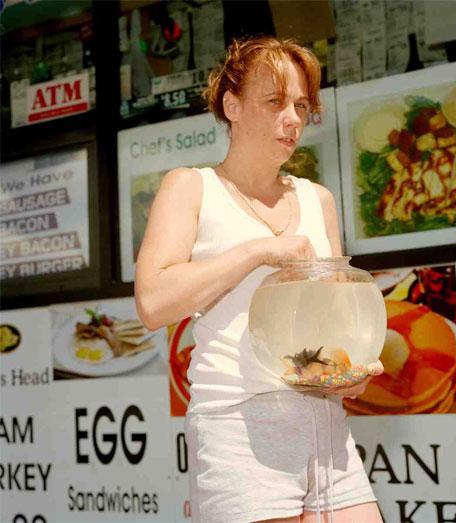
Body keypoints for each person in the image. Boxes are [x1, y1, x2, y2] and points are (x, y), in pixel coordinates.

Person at [134, 36, 383, 522]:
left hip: (325, 427)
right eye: (275, 102)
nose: (293, 119)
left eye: (301, 106)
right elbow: (152, 301)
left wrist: (345, 376)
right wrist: (256, 251)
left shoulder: (319, 200)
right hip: (237, 427)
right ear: (232, 105)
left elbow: (331, 324)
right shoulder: (189, 187)